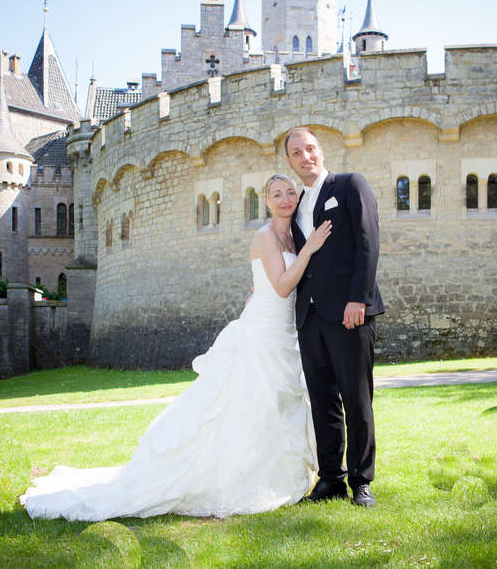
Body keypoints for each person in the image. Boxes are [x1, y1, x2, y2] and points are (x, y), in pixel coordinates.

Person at [20, 174, 332, 521]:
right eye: (277, 194)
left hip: (282, 330)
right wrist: (310, 250)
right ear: (267, 201)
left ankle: (274, 474)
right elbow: (284, 285)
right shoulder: (266, 236)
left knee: (274, 402)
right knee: (249, 401)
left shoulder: (292, 235)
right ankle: (232, 479)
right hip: (264, 332)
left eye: (291, 192)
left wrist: (297, 255)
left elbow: (266, 284)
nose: (286, 198)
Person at [284, 127, 384, 508]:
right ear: (289, 161)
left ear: (321, 151)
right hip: (309, 317)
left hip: (349, 314)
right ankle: (331, 479)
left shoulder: (349, 185)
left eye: (310, 149)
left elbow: (367, 241)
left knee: (356, 398)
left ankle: (361, 480)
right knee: (321, 399)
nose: (305, 156)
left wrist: (358, 299)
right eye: (296, 153)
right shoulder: (298, 205)